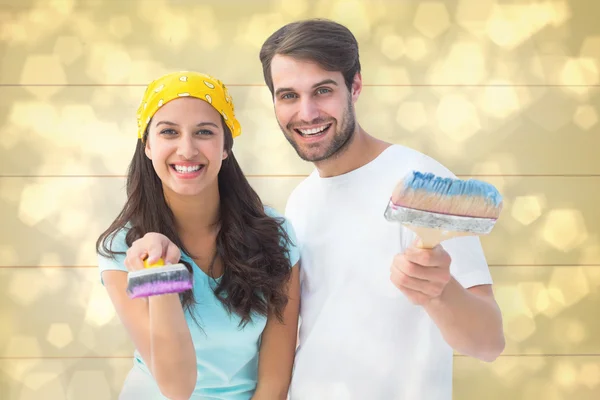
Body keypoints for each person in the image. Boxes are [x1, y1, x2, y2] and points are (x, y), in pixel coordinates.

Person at [258, 19, 505, 400]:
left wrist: (441, 292)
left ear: (355, 86)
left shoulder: (418, 183)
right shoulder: (301, 200)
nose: (306, 113)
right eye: (288, 95)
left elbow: (489, 343)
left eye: (322, 90)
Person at [96, 71, 300, 400]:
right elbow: (177, 387)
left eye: (204, 132)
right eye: (169, 133)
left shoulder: (275, 235)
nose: (187, 149)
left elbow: (275, 379)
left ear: (225, 147)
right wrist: (160, 272)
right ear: (148, 146)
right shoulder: (121, 249)